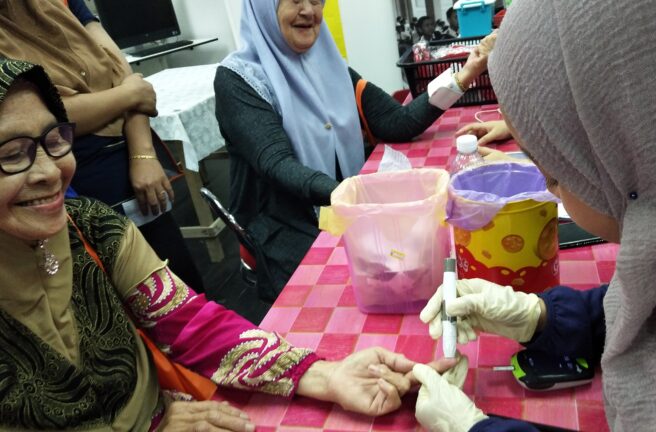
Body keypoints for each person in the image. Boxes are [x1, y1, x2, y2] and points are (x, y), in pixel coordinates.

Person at [0, 57, 456, 431]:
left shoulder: (91, 227)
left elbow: (187, 323)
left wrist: (325, 374)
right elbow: (276, 164)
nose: (49, 171)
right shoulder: (242, 80)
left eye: (54, 140)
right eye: (11, 154)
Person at [414, 0, 656, 431]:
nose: (549, 189)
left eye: (555, 173)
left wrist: (476, 429)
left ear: (649, 158)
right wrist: (541, 317)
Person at [214, 0, 495, 300]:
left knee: (421, 263)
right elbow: (276, 163)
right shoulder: (239, 80)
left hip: (344, 210)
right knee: (365, 293)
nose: (309, 11)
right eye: (295, 0)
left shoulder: (329, 66)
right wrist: (356, 196)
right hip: (284, 225)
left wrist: (467, 72)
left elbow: (397, 122)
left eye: (316, 0)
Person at [0, 0, 205, 292]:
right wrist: (127, 96)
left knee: (178, 283)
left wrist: (143, 154)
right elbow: (46, 116)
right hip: (69, 184)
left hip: (128, 165)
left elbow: (125, 75)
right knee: (104, 291)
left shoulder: (60, 4)